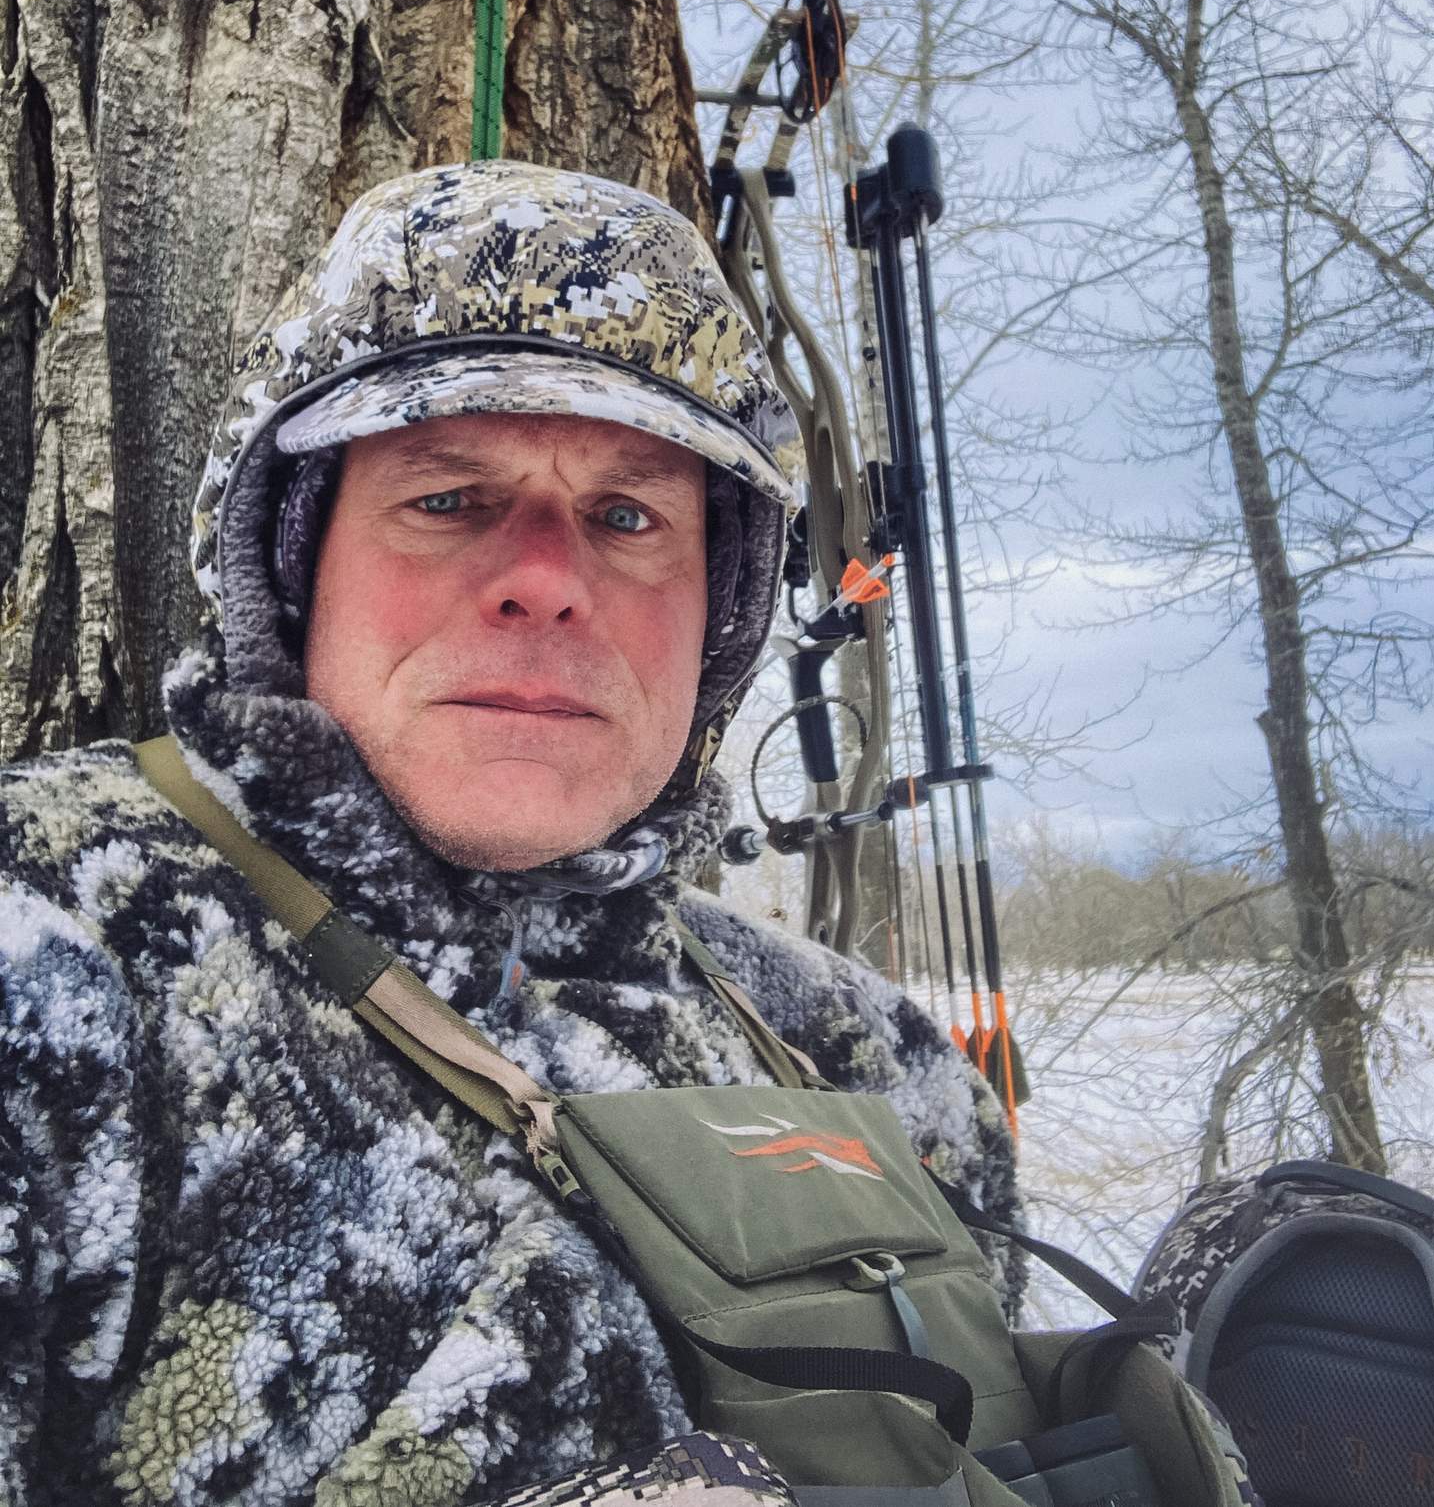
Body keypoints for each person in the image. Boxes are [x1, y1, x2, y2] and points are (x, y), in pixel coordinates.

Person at [0, 160, 1021, 1507]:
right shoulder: (53, 956)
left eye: (626, 514)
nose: (545, 578)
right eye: (449, 496)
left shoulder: (875, 1062)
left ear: (714, 612)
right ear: (292, 563)